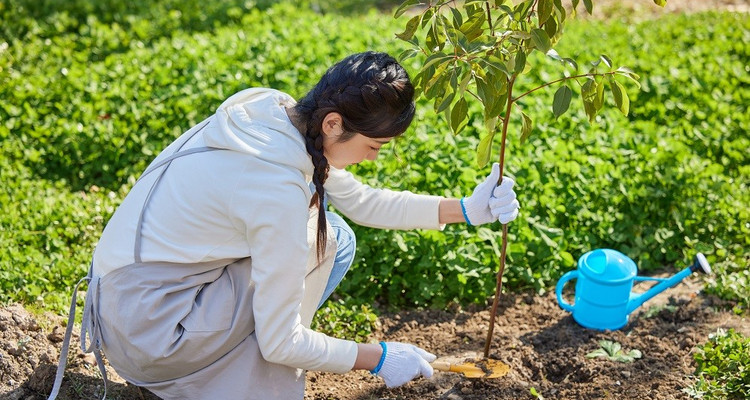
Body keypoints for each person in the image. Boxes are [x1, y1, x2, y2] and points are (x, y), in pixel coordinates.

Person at [48, 51, 520, 400]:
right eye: (375, 146)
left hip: (126, 305)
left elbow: (362, 202)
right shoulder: (275, 189)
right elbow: (279, 342)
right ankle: (227, 382)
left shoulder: (273, 118)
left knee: (337, 236)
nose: (375, 158)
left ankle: (244, 358)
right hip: (154, 336)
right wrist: (377, 357)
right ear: (334, 123)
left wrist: (466, 208)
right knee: (323, 241)